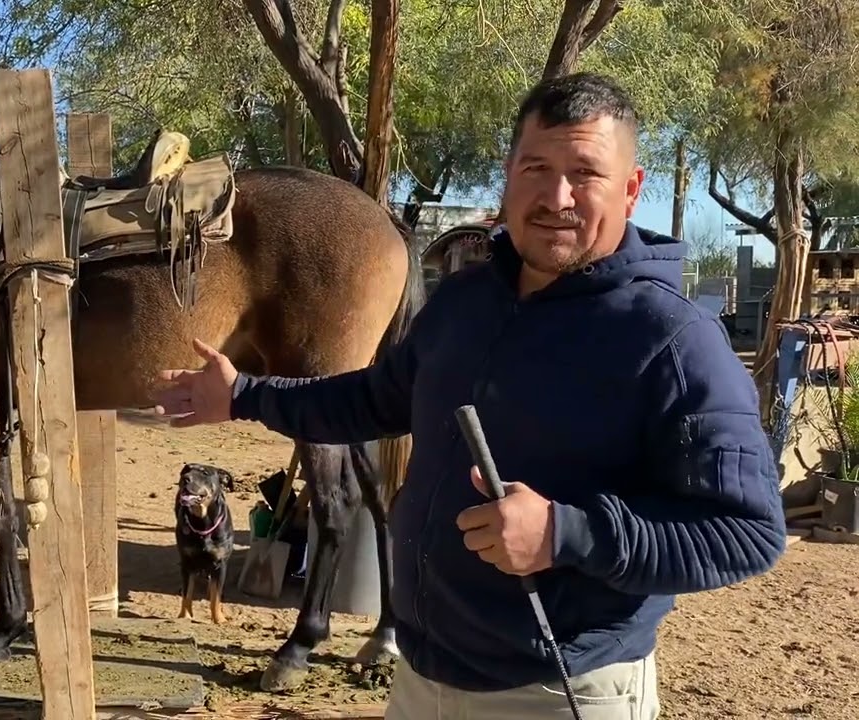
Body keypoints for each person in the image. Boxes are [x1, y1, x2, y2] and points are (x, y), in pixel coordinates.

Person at [152, 72, 788, 719]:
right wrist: (245, 395)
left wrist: (568, 534)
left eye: (586, 173)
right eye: (536, 166)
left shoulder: (675, 342)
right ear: (509, 174)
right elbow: (374, 400)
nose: (556, 195)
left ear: (631, 189)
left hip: (559, 692)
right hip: (425, 679)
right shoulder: (465, 303)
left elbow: (748, 533)